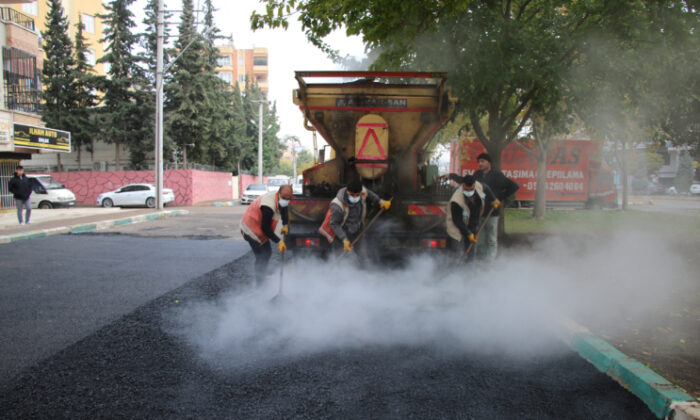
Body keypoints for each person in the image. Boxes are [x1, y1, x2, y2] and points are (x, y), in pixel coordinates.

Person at [318, 179, 391, 256]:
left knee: (363, 256)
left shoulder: (362, 192)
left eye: (357, 195)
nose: (355, 197)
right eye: (352, 195)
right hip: (341, 234)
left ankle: (363, 267)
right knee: (342, 259)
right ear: (347, 191)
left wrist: (380, 201)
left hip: (357, 230)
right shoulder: (337, 205)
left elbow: (369, 193)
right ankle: (342, 267)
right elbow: (334, 224)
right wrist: (344, 239)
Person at [240, 184, 292, 286]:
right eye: (284, 198)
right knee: (262, 255)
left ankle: (262, 277)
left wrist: (285, 224)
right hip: (250, 229)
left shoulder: (280, 199)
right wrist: (279, 241)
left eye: (288, 198)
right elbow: (265, 228)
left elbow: (284, 209)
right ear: (279, 194)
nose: (286, 200)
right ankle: (260, 283)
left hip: (259, 228)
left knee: (267, 252)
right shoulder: (268, 206)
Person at [473, 152, 519, 263]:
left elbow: (514, 186)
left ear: (489, 162)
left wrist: (499, 198)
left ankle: (489, 263)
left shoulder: (497, 175)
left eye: (482, 161)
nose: (480, 164)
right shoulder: (477, 175)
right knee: (481, 240)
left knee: (491, 239)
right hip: (480, 212)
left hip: (492, 213)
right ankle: (484, 261)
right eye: (479, 162)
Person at [445, 174, 494, 262]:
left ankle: (470, 270)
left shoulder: (478, 186)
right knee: (457, 253)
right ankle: (455, 271)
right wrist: (468, 233)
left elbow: (486, 188)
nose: (469, 191)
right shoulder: (456, 200)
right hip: (456, 226)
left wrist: (494, 200)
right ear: (462, 185)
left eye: (471, 189)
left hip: (472, 222)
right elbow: (457, 220)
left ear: (474, 185)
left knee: (471, 251)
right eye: (466, 189)